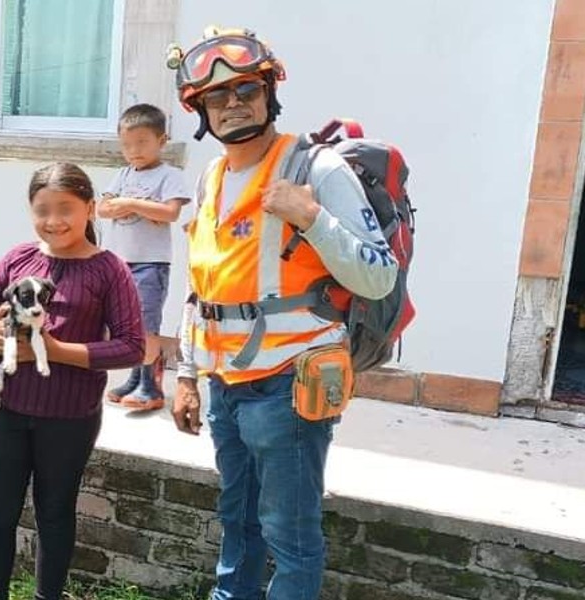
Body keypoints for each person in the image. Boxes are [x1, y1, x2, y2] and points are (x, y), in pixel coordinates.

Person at [166, 27, 398, 599]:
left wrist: (313, 217)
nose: (232, 104)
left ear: (270, 92)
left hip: (290, 387)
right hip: (227, 385)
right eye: (217, 98)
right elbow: (205, 287)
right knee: (237, 522)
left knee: (289, 535)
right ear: (200, 111)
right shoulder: (212, 177)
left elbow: (378, 273)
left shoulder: (313, 169)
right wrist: (188, 374)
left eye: (246, 89)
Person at [0, 162, 145, 600]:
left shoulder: (109, 270)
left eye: (66, 208)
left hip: (69, 416)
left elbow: (132, 347)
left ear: (90, 209)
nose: (54, 220)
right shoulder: (17, 259)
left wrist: (58, 352)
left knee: (55, 513)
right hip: (8, 411)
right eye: (43, 209)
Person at [96, 103, 191, 412]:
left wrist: (130, 204)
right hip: (119, 263)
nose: (133, 151)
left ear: (161, 141)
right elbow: (103, 208)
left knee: (146, 325)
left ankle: (150, 386)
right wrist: (137, 205)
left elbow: (169, 212)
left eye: (141, 143)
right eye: (127, 145)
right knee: (127, 325)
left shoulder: (169, 175)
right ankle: (135, 377)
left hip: (151, 263)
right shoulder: (122, 174)